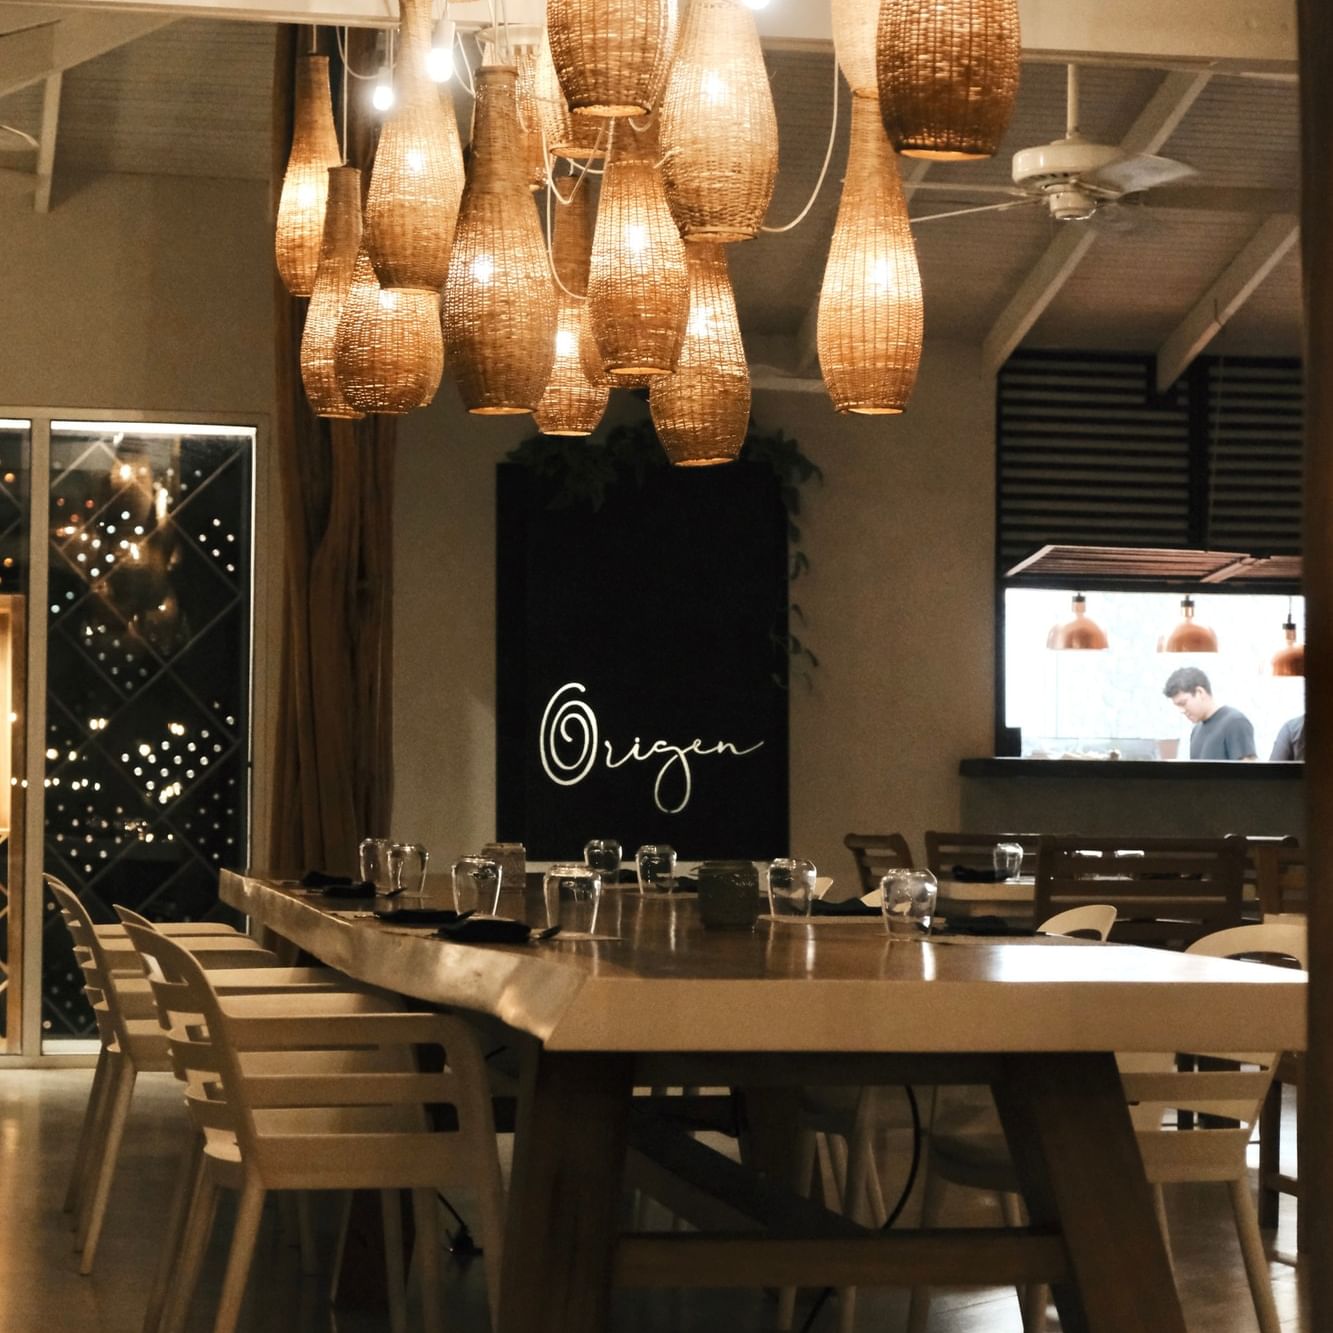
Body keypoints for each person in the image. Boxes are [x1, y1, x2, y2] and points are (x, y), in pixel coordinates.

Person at [1162, 667, 1257, 761]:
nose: (1182, 710)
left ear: (1200, 692)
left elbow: (1248, 772)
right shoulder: (1196, 730)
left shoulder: (1235, 722)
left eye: (1183, 703)